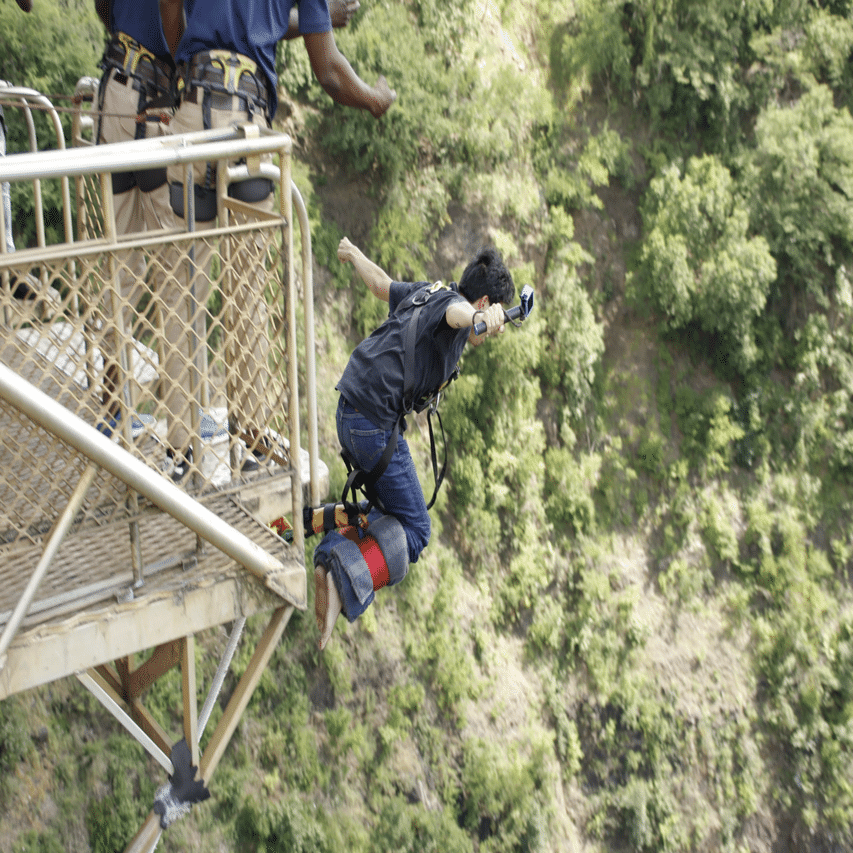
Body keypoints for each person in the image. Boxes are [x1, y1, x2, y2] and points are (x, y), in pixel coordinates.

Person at [163, 0, 395, 478]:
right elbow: (328, 72)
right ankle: (249, 450)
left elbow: (170, 11)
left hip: (192, 112)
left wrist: (184, 64)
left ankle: (179, 455)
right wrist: (375, 98)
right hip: (247, 128)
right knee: (246, 291)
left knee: (180, 289)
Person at [313, 237, 515, 650]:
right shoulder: (454, 309)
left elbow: (381, 284)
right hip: (373, 424)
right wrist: (480, 320)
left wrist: (355, 253)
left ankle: (328, 540)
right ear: (483, 302)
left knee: (389, 514)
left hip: (348, 409)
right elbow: (459, 316)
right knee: (417, 530)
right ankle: (339, 577)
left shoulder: (427, 292)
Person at [92, 0, 187, 465]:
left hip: (115, 91)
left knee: (118, 267)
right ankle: (179, 438)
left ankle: (113, 413)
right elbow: (177, 32)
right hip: (157, 105)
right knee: (174, 278)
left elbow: (104, 8)